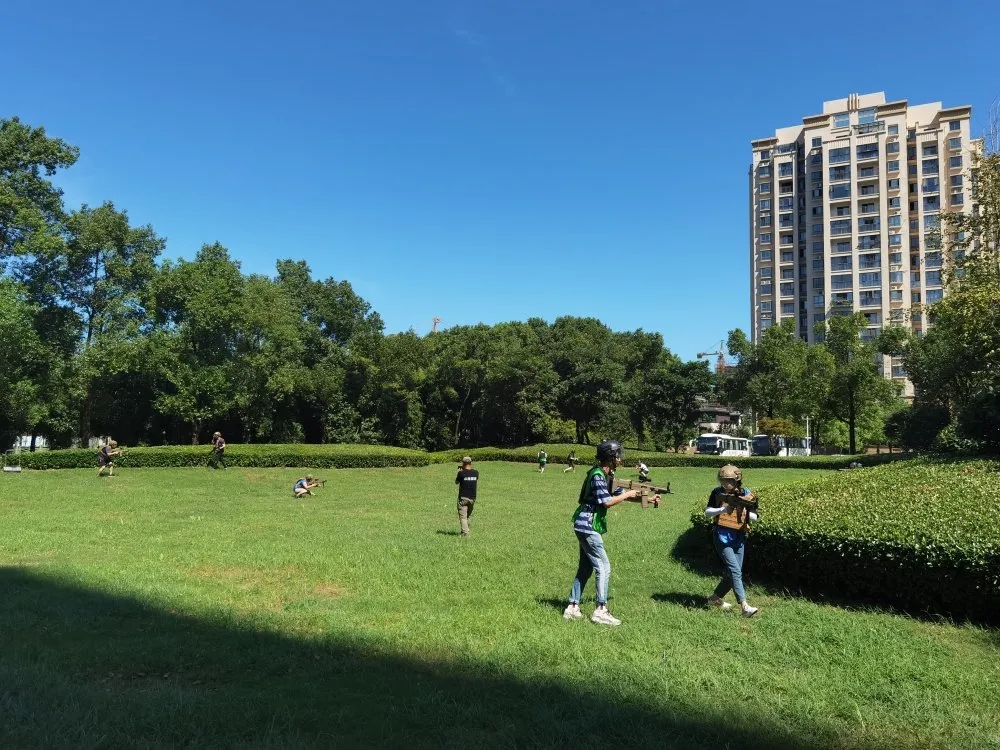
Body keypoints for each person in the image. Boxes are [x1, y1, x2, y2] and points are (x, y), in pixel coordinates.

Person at [563, 440, 656, 626]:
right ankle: (601, 610)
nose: (621, 459)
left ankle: (572, 607)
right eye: (618, 456)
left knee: (586, 568)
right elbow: (607, 502)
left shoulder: (606, 475)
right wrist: (628, 494)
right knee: (603, 566)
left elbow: (619, 495)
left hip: (585, 524)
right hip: (588, 525)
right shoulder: (598, 476)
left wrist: (649, 500)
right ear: (611, 457)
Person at [704, 464, 760, 617]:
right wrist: (723, 509)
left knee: (734, 573)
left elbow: (755, 516)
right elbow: (707, 512)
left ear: (737, 480)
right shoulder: (717, 493)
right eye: (722, 480)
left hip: (739, 537)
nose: (725, 483)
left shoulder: (746, 494)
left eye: (728, 480)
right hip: (722, 537)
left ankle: (714, 599)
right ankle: (745, 606)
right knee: (735, 570)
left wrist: (746, 510)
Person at [454, 456, 479, 537]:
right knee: (468, 516)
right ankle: (464, 531)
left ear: (463, 463)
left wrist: (459, 472)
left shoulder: (461, 473)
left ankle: (465, 534)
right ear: (471, 463)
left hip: (463, 498)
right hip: (473, 498)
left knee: (463, 517)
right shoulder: (476, 472)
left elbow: (456, 482)